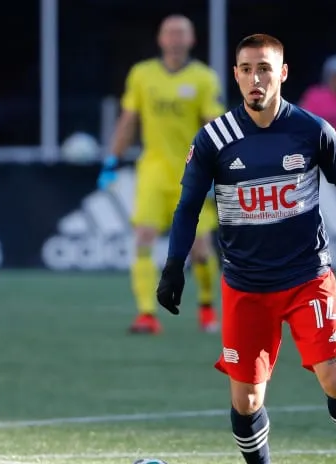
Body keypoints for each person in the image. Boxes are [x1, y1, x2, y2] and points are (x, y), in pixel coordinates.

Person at [156, 34, 336, 464]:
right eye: (246, 70)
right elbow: (187, 208)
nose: (255, 79)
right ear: (236, 75)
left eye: (264, 69)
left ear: (283, 73)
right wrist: (172, 268)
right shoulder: (214, 139)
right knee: (246, 401)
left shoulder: (312, 130)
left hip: (307, 278)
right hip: (246, 286)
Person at [98, 14, 222, 335]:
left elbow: (214, 126)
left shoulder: (204, 78)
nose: (175, 39)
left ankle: (206, 307)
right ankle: (147, 314)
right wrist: (112, 160)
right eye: (170, 33)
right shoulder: (142, 75)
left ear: (191, 39)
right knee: (143, 238)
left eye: (182, 33)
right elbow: (129, 120)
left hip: (192, 173)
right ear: (160, 39)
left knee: (200, 248)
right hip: (153, 171)